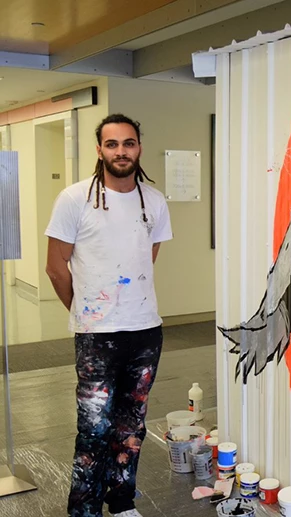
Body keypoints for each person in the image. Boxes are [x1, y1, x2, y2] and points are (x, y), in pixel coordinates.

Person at [45, 114, 173, 517]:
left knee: (131, 426)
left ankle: (121, 502)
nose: (122, 151)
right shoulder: (73, 198)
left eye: (129, 143)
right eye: (113, 144)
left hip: (145, 331)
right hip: (97, 336)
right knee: (94, 430)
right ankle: (82, 508)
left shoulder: (154, 201)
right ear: (99, 150)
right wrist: (86, 312)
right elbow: (55, 267)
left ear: (139, 148)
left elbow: (145, 260)